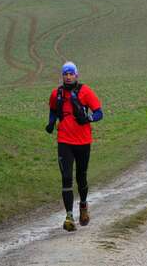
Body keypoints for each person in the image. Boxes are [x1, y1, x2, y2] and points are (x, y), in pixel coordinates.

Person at [46, 62, 103, 232]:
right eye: (65, 74)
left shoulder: (86, 91)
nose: (68, 76)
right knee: (66, 177)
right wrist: (50, 123)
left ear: (76, 75)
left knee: (81, 177)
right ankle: (69, 216)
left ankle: (83, 205)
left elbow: (99, 112)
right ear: (62, 76)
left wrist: (89, 119)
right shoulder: (56, 94)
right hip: (64, 141)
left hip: (83, 141)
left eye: (71, 73)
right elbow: (53, 110)